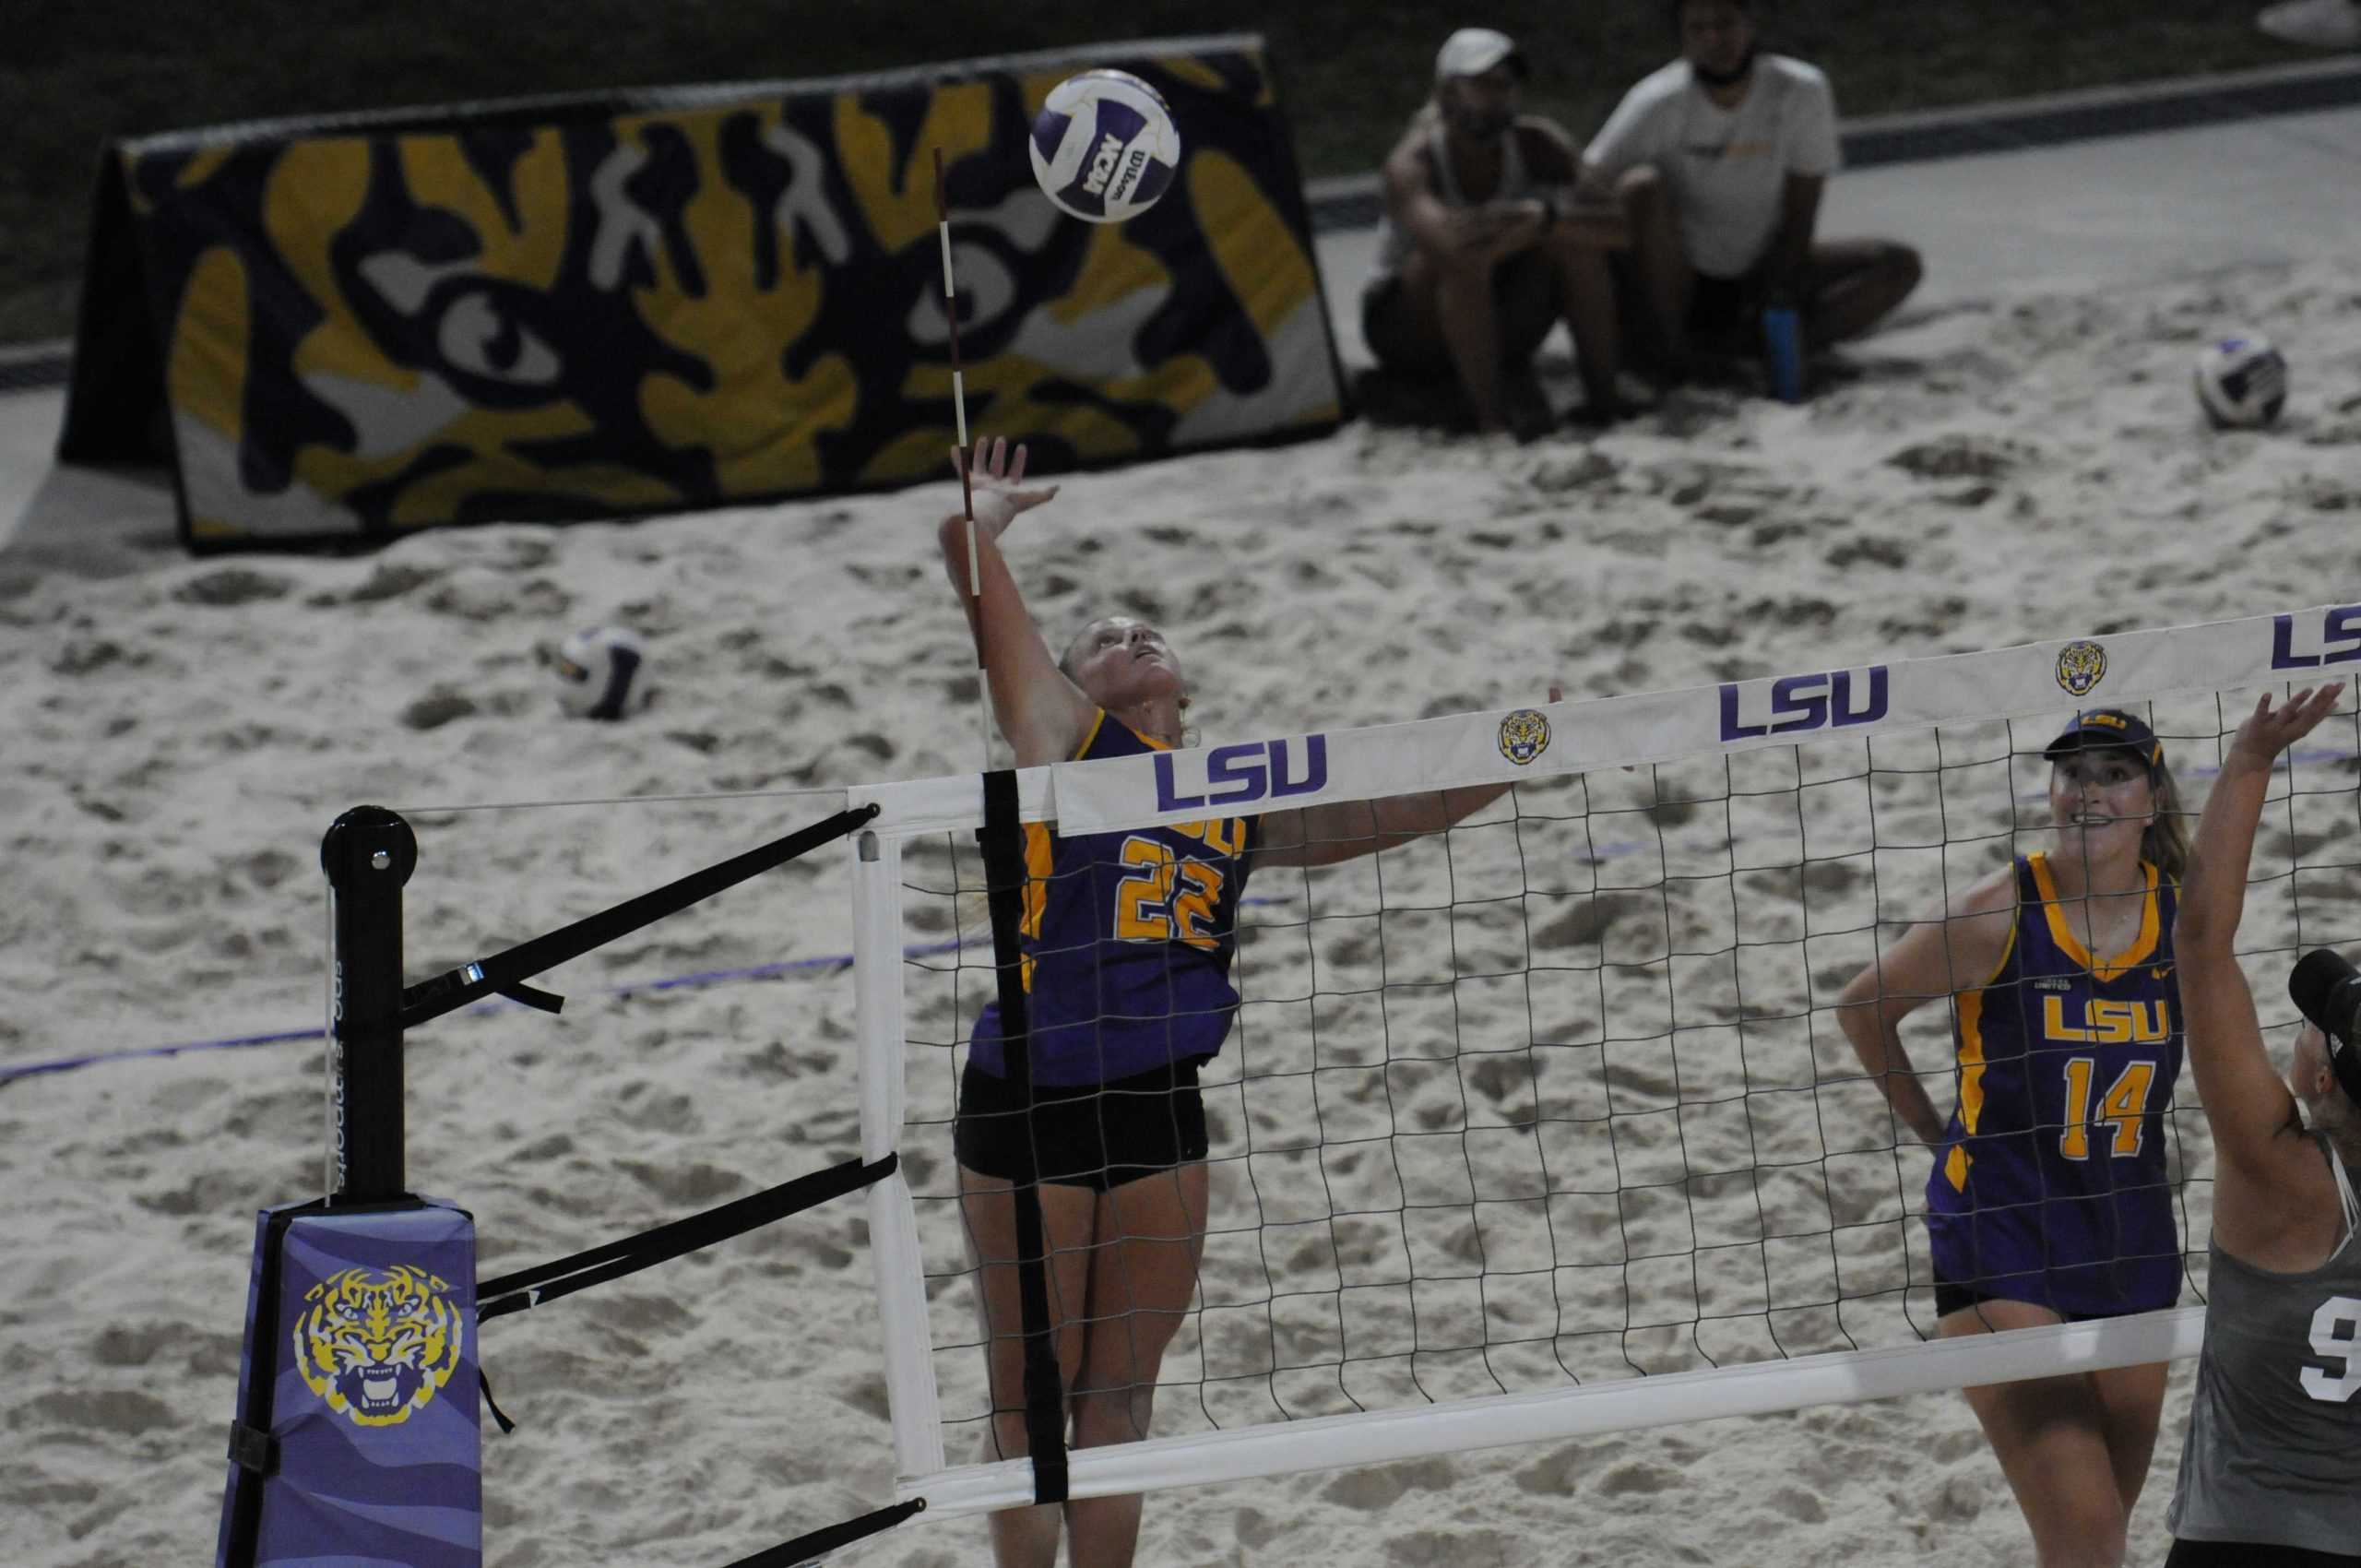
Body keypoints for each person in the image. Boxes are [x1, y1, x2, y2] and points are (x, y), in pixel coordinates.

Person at [935, 435, 1549, 1568]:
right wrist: (981, 515)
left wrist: (1520, 747)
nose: (1131, 635)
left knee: (1119, 1399)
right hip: (1030, 1097)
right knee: (1029, 1400)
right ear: (1071, 680)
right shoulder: (1061, 739)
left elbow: (1384, 816)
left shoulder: (1231, 796)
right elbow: (966, 565)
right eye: (1102, 637)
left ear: (1185, 686)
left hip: (1162, 1104)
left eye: (1146, 631)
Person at [1835, 707, 2191, 1568]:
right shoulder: (1996, 915)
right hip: (2002, 1232)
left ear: (2152, 800)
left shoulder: (2184, 918)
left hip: (2131, 1238)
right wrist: (1933, 1135)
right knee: (2089, 1534)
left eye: (2115, 773)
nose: (2090, 791)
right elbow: (1862, 1008)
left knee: (2096, 1530)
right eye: (2074, 773)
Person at [2163, 683, 2361, 1568]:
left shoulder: (2279, 1175)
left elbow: (2202, 945)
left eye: (2313, 1021)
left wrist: (2247, 763)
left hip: (2239, 1539)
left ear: (2319, 1076)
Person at [1579, 0, 1922, 387]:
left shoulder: (1798, 90)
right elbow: (1590, 182)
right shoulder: (1658, 100)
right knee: (1641, 187)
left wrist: (1780, 288)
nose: (1713, 39)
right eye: (1698, 29)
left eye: (1725, 24)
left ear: (1750, 23)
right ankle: (1676, 351)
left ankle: (1760, 349)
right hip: (1680, 278)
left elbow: (1803, 205)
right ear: (1682, 36)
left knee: (1896, 265)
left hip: (1758, 268)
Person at [1362, 27, 1630, 437]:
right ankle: (1492, 421)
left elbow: (1619, 227)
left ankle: (1604, 403)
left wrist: (1540, 219)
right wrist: (1520, 227)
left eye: (1505, 84)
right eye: (1482, 85)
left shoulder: (1539, 143)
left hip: (1499, 308)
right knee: (1458, 260)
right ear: (1448, 93)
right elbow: (1450, 248)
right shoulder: (1413, 162)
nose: (1499, 94)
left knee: (1574, 238)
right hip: (1409, 329)